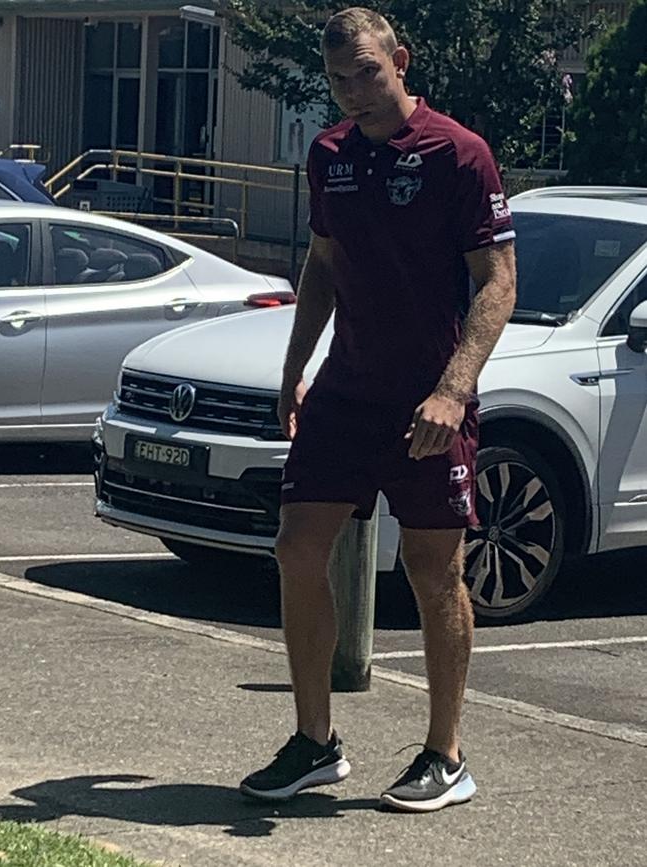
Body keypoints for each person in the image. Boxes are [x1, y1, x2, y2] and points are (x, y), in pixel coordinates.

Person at [240, 6, 516, 813]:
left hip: (429, 399)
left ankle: (445, 755)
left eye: (366, 72)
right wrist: (295, 368)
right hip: (345, 393)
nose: (352, 92)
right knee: (297, 547)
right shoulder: (330, 156)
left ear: (399, 59)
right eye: (336, 80)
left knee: (435, 573)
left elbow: (498, 282)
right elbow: (323, 263)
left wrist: (454, 388)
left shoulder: (460, 154)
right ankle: (316, 743)